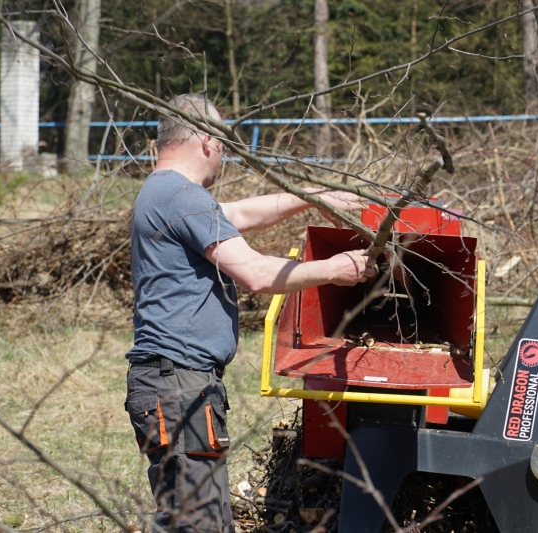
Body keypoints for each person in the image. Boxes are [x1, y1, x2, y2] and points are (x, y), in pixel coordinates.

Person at [125, 93, 377, 533]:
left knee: (203, 518)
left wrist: (310, 196)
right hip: (179, 384)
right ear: (205, 138)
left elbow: (242, 212)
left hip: (175, 381)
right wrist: (336, 270)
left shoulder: (164, 191)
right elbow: (257, 273)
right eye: (223, 140)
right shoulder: (181, 196)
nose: (224, 151)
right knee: (195, 523)